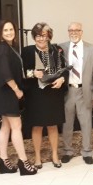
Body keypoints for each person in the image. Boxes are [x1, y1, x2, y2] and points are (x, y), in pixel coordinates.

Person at [0, 20, 37, 175]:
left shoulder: (8, 47)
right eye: (6, 30)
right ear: (0, 33)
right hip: (8, 92)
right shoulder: (3, 48)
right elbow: (6, 74)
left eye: (11, 29)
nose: (9, 32)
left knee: (5, 126)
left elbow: (17, 71)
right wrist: (17, 90)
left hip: (4, 92)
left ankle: (3, 160)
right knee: (16, 126)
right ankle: (24, 163)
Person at [21, 22, 68, 169]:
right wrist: (33, 73)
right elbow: (20, 72)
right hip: (35, 94)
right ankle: (37, 157)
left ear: (49, 36)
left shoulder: (57, 50)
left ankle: (54, 155)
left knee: (53, 125)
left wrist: (62, 79)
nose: (40, 39)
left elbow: (65, 69)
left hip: (54, 92)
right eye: (37, 36)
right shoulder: (27, 51)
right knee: (37, 126)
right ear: (34, 37)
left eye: (43, 36)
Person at [59, 22, 93, 164]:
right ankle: (67, 151)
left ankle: (87, 152)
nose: (74, 32)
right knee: (67, 123)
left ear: (81, 32)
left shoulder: (92, 49)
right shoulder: (61, 48)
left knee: (86, 123)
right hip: (67, 91)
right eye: (71, 30)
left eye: (77, 30)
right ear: (68, 32)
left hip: (85, 91)